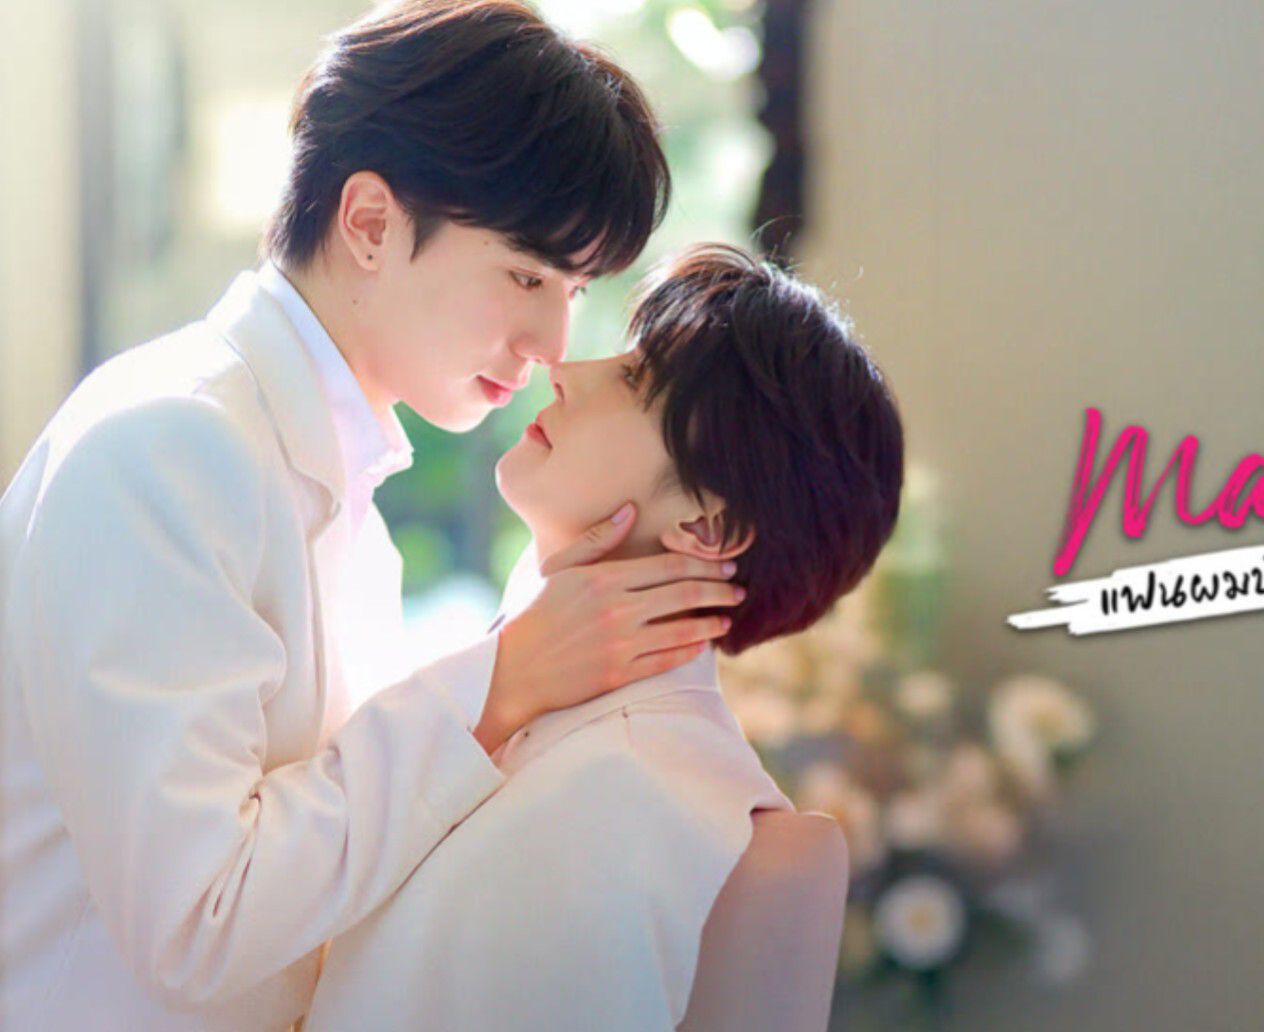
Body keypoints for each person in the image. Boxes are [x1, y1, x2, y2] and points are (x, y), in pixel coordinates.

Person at [0, 0, 740, 1031]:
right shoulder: (169, 447)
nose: (552, 348)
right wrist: (502, 681)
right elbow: (198, 922)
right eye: (526, 276)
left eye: (573, 292)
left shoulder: (326, 479)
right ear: (370, 223)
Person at [302, 243, 904, 1031]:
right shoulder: (520, 710)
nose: (565, 369)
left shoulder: (630, 791)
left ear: (707, 526)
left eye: (634, 380)